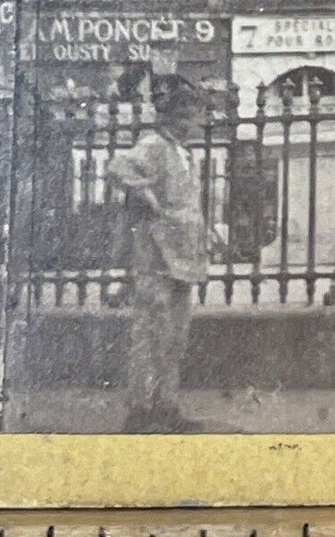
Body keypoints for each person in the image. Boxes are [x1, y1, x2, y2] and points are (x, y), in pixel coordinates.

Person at [105, 77, 211, 433]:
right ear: (173, 117)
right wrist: (144, 194)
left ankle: (167, 407)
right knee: (152, 332)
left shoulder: (181, 152)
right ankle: (140, 410)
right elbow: (119, 169)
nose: (194, 123)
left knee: (175, 335)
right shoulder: (153, 144)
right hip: (157, 255)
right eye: (188, 115)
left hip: (181, 255)